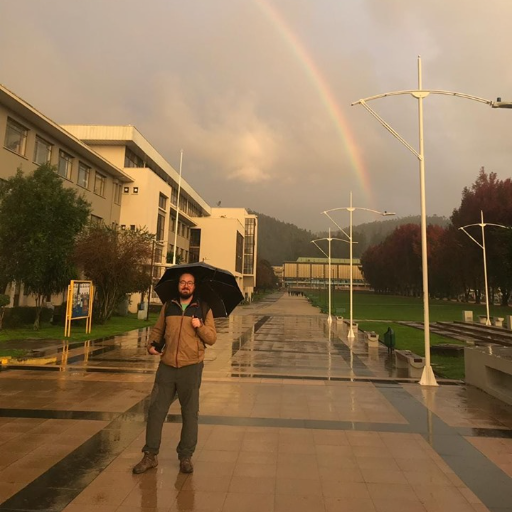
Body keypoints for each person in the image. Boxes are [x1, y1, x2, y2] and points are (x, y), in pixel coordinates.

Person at [133, 272, 217, 475]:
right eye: (182, 282)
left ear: (194, 286)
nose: (186, 286)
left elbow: (212, 338)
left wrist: (200, 327)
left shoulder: (203, 308)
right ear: (178, 285)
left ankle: (185, 457)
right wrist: (151, 345)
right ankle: (150, 455)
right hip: (167, 367)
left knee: (190, 414)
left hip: (191, 367)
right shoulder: (168, 306)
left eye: (189, 282)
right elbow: (158, 330)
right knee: (155, 411)